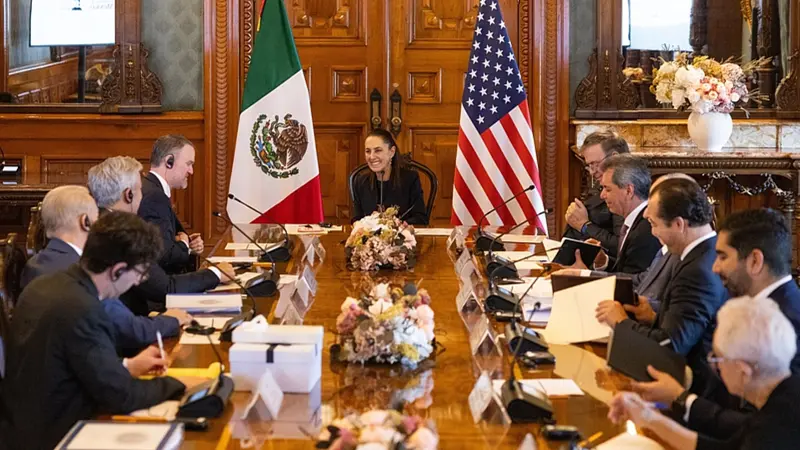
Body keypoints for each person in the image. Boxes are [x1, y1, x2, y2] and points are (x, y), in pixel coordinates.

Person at [0, 212, 198, 450]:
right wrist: (179, 383)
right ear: (117, 271)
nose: (138, 282)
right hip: (57, 436)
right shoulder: (84, 308)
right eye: (140, 274)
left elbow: (65, 362)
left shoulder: (43, 286)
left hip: (20, 429)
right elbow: (122, 396)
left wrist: (126, 365)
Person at [629, 208, 800, 441]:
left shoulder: (786, 322)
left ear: (755, 261)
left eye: (722, 257)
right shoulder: (762, 305)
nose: (715, 268)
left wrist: (682, 400)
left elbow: (759, 427)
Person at [608, 296, 800, 450]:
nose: (715, 366)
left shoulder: (772, 433)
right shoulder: (785, 395)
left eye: (717, 358)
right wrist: (650, 419)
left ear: (743, 370)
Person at [20, 185, 191, 355]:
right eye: (97, 219)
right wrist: (170, 320)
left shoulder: (39, 263)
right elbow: (126, 328)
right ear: (86, 222)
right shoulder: (78, 267)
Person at [596, 178, 726, 395]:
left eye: (654, 224)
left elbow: (671, 345)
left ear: (679, 224)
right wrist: (653, 317)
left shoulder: (697, 270)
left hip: (693, 390)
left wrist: (621, 322)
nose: (653, 233)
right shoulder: (703, 253)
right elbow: (688, 327)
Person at [88, 156, 235, 316]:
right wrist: (216, 273)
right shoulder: (120, 234)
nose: (142, 196)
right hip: (129, 322)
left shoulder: (95, 223)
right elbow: (165, 288)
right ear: (128, 195)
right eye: (140, 190)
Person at [572, 154, 660, 274]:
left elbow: (632, 281)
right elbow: (625, 268)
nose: (602, 195)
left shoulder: (645, 229)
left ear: (628, 190)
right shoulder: (636, 222)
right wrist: (603, 261)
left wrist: (585, 274)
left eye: (607, 189)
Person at [139, 135, 202, 273]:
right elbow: (163, 255)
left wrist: (188, 245)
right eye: (188, 164)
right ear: (169, 162)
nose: (191, 171)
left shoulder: (152, 188)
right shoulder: (155, 196)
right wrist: (183, 244)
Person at [563, 131, 630, 256]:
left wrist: (584, 226)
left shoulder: (625, 192)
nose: (592, 172)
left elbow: (620, 245)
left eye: (595, 164)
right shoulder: (598, 186)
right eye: (589, 166)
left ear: (615, 158)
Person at [351, 128, 428, 225]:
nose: (371, 157)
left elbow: (420, 218)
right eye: (368, 151)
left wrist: (395, 224)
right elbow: (357, 218)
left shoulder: (410, 179)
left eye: (378, 150)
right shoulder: (360, 181)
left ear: (392, 152)